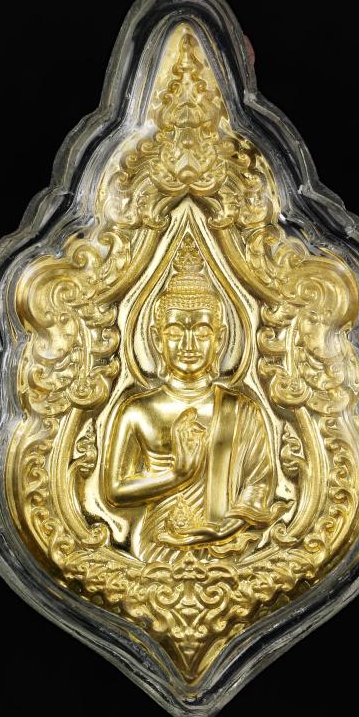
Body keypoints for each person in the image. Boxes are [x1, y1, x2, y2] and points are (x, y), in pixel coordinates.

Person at [101, 235, 276, 562]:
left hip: (226, 547)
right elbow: (113, 492)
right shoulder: (138, 410)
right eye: (175, 332)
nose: (188, 345)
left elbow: (259, 483)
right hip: (156, 548)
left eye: (202, 331)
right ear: (156, 339)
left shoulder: (242, 409)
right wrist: (177, 476)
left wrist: (227, 528)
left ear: (220, 339)